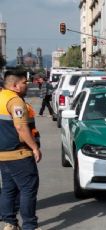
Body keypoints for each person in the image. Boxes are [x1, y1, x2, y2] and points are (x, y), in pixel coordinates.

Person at [0, 70, 42, 230]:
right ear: (15, 85)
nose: (27, 85)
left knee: (8, 189)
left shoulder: (1, 97)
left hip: (3, 155)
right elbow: (20, 127)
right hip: (19, 154)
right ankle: (30, 226)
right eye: (24, 83)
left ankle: (9, 224)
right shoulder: (15, 101)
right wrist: (34, 147)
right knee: (28, 189)